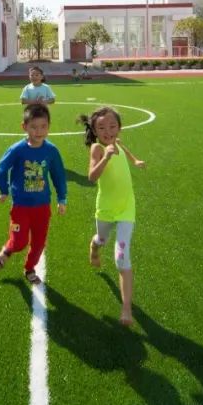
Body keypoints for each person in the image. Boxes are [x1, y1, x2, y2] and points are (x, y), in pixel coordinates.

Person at [78, 105, 146, 327]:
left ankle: (126, 308)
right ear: (94, 131)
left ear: (119, 128)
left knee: (121, 256)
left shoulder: (117, 142)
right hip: (106, 208)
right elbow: (91, 177)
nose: (108, 131)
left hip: (127, 207)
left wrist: (135, 161)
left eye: (112, 126)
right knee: (102, 239)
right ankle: (94, 246)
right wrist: (106, 157)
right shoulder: (97, 148)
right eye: (102, 128)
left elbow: (124, 150)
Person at [0, 104, 67, 285]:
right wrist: (3, 190)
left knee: (39, 243)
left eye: (43, 126)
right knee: (19, 242)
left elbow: (58, 175)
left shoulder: (51, 151)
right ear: (24, 127)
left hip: (42, 207)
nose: (39, 131)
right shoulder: (18, 150)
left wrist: (62, 198)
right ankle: (7, 251)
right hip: (21, 207)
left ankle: (29, 268)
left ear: (49, 126)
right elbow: (2, 168)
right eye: (34, 127)